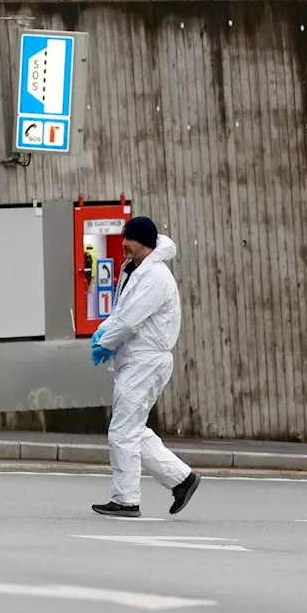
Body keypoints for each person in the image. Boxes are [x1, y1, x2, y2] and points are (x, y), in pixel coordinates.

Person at [89, 216, 201, 518]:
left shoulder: (156, 277)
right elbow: (121, 312)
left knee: (123, 430)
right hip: (137, 360)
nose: (123, 243)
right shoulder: (135, 270)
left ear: (145, 243)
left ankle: (126, 500)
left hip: (146, 361)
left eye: (129, 239)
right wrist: (103, 331)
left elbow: (130, 319)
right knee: (132, 429)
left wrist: (106, 342)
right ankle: (182, 479)